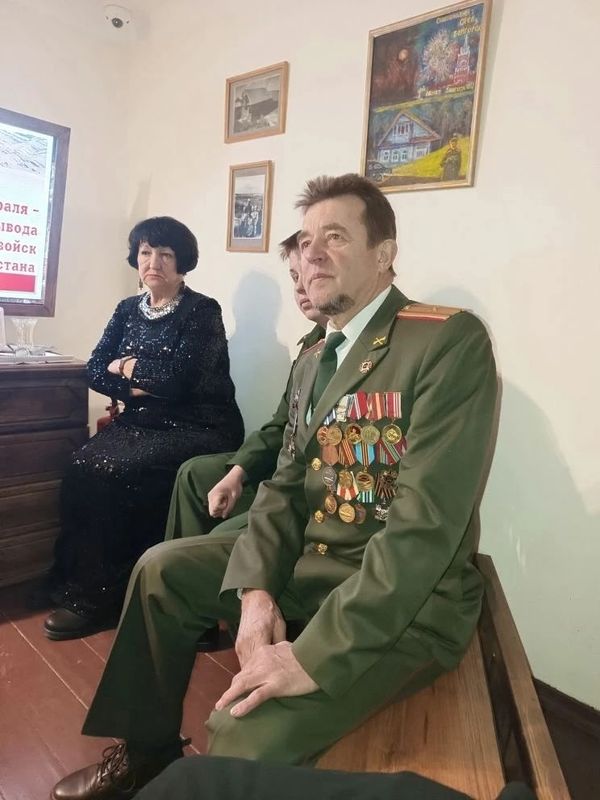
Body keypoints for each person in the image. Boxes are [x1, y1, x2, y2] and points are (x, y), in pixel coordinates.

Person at [51, 175, 497, 800]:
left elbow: (422, 532)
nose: (312, 254)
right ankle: (147, 753)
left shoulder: (445, 341)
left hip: (401, 604)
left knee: (239, 734)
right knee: (160, 571)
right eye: (306, 240)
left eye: (335, 237)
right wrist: (257, 591)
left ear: (384, 254)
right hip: (306, 565)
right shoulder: (315, 356)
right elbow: (286, 488)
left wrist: (312, 656)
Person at [43, 216, 244, 642]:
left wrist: (128, 365)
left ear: (182, 262)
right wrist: (138, 384)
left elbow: (180, 383)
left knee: (118, 472)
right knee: (80, 464)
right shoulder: (126, 310)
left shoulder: (202, 311)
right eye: (146, 252)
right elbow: (95, 369)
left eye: (166, 254)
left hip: (200, 424)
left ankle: (111, 598)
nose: (154, 262)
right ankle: (83, 586)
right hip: (143, 421)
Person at [165, 231, 326, 544]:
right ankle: (183, 558)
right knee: (194, 474)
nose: (300, 287)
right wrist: (238, 471)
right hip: (283, 464)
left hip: (307, 480)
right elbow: (282, 425)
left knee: (212, 539)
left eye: (309, 273)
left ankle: (188, 558)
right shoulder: (311, 344)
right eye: (294, 276)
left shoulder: (351, 348)